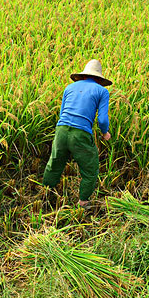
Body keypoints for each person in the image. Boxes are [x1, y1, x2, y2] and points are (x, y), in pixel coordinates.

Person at [42, 59, 113, 209]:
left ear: (83, 75)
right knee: (90, 168)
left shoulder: (70, 87)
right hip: (80, 134)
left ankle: (46, 193)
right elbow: (102, 119)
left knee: (55, 162)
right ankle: (83, 202)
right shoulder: (102, 91)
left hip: (61, 130)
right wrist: (105, 133)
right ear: (100, 78)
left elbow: (62, 113)